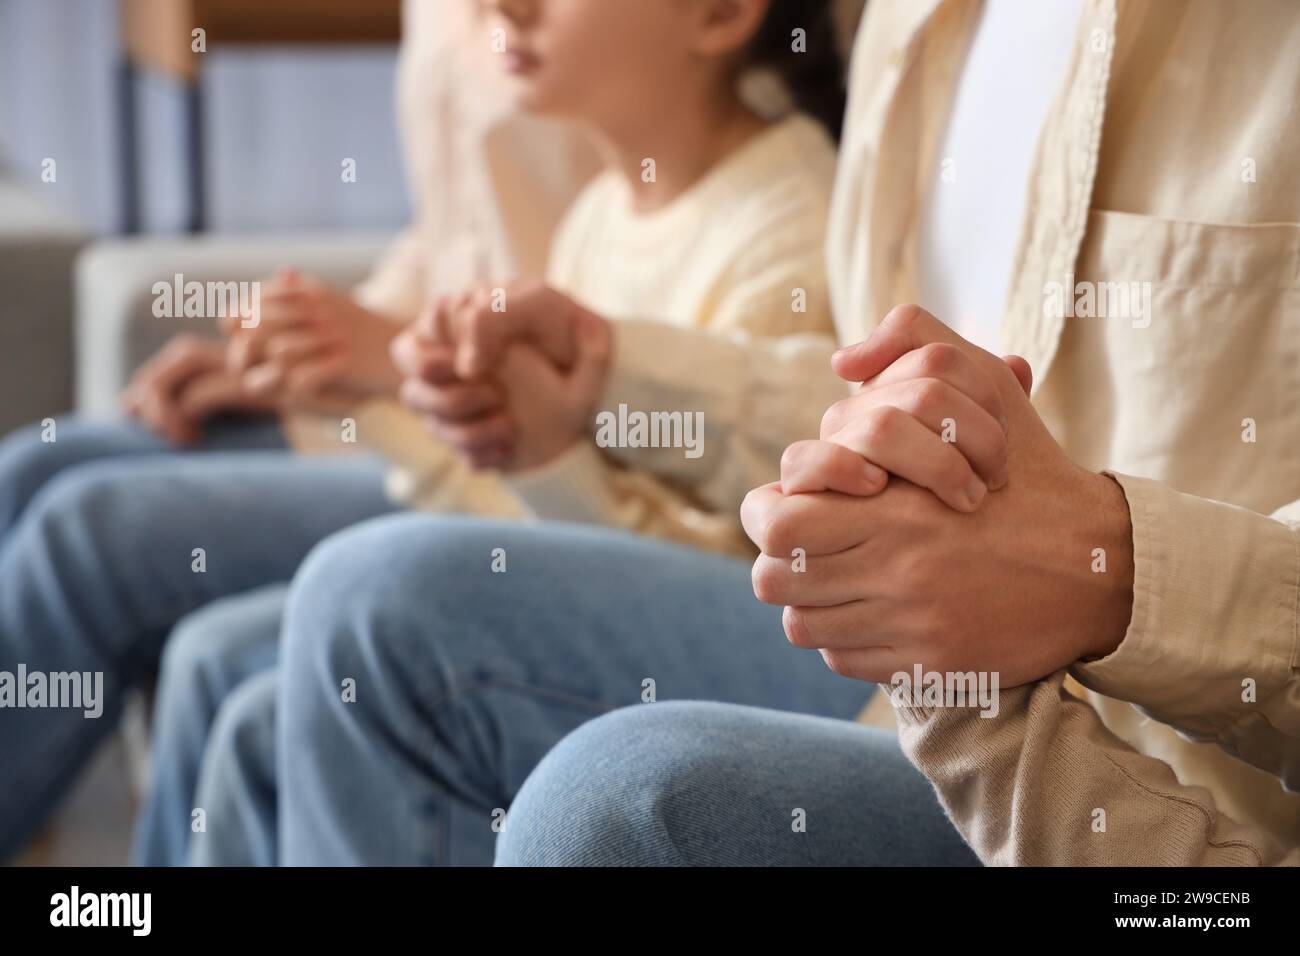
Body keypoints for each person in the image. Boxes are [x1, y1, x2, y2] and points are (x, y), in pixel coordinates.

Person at [179, 0, 1012, 867]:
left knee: (325, 615)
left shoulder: (786, 224)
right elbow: (531, 546)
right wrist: (432, 413)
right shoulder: (598, 216)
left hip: (795, 654)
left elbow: (712, 584)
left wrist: (524, 446)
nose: (503, 7)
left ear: (721, 15)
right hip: (618, 590)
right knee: (245, 708)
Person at [497, 0, 1300, 866]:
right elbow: (861, 389)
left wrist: (1099, 573)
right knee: (378, 602)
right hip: (941, 705)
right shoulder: (902, 23)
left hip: (1176, 813)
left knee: (612, 799)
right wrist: (603, 380)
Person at [0, 0, 593, 863]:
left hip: (477, 452)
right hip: (394, 401)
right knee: (36, 466)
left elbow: (588, 326)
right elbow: (451, 236)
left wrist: (381, 356)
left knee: (86, 533)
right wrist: (287, 364)